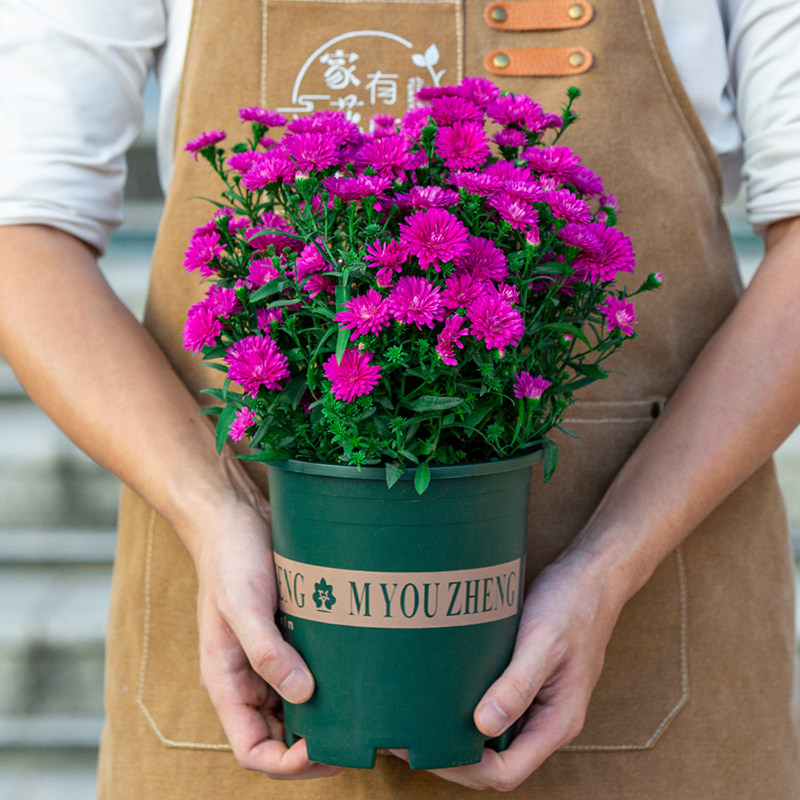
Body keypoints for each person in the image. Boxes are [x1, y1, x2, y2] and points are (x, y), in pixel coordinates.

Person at [1, 0, 799, 797]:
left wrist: (610, 564)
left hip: (648, 652)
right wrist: (211, 509)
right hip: (258, 664)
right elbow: (22, 226)